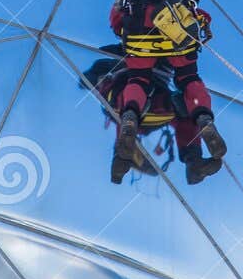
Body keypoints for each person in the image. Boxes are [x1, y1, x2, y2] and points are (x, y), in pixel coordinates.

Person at [99, 0, 226, 185]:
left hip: (140, 24)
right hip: (176, 31)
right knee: (188, 78)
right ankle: (201, 133)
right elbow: (193, 4)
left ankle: (128, 121)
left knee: (138, 78)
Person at [83, 47, 222, 185]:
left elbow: (89, 78)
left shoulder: (116, 76)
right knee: (185, 114)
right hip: (152, 107)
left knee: (129, 116)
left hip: (136, 107)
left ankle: (122, 155)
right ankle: (193, 161)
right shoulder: (167, 51)